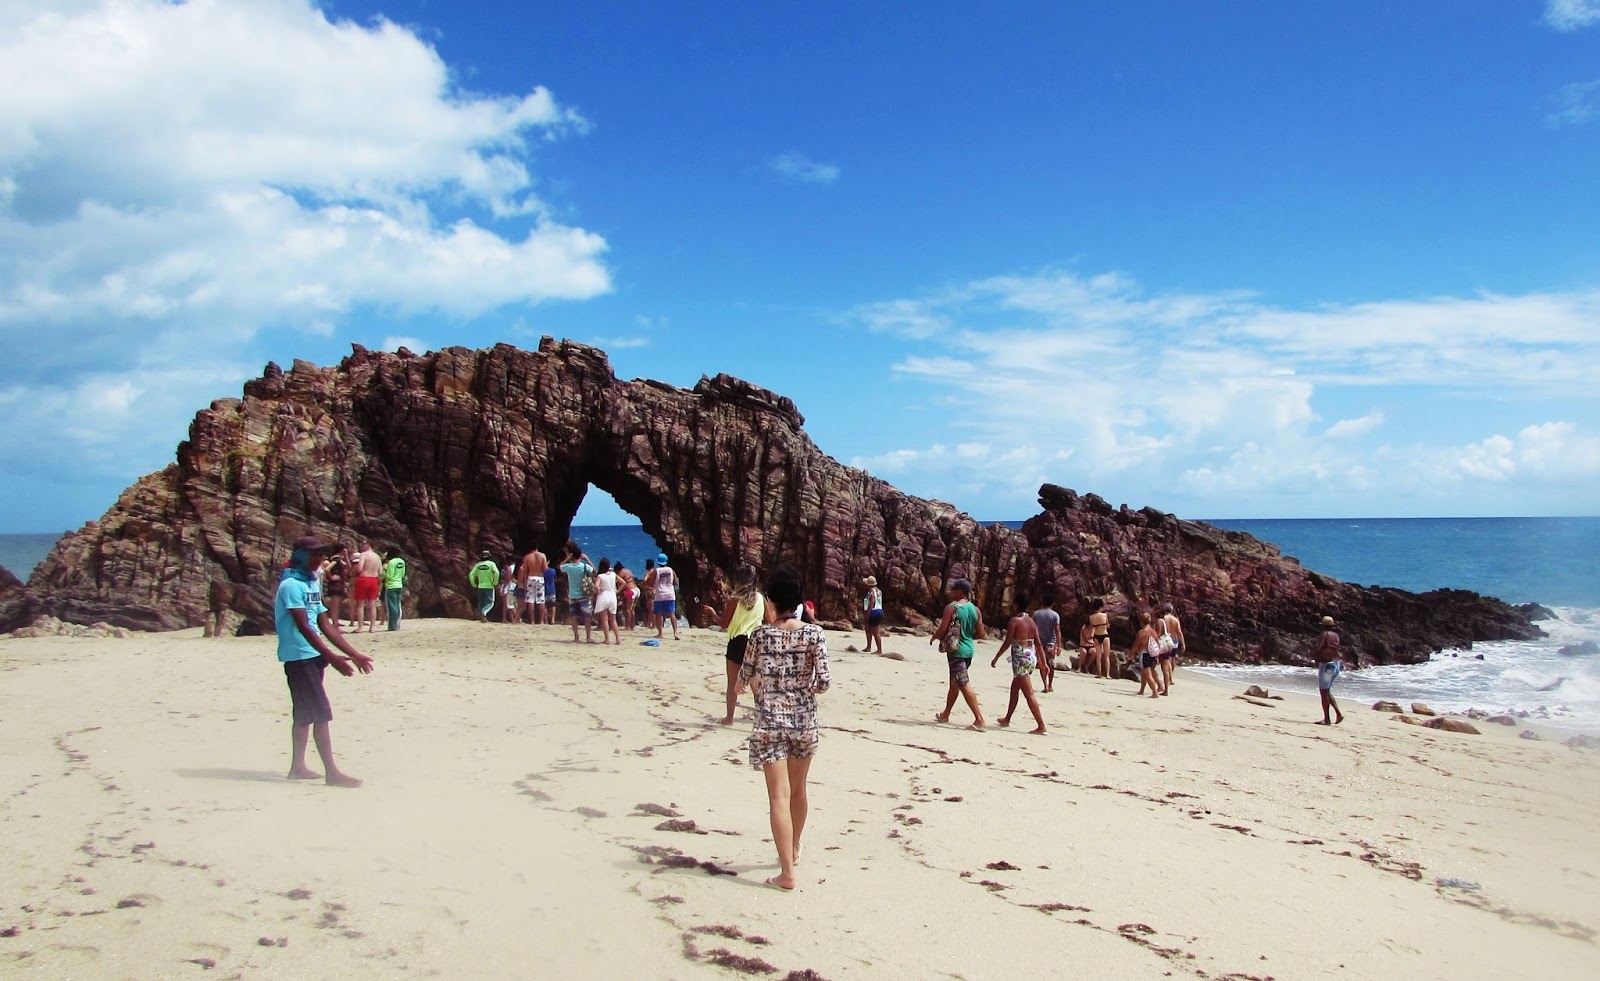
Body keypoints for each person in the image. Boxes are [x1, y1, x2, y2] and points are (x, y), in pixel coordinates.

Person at [736, 563, 830, 891]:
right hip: (804, 721)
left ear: (770, 601)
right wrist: (805, 689)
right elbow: (825, 681)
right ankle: (795, 847)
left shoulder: (761, 635)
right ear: (799, 600)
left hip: (769, 721)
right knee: (799, 789)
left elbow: (744, 676)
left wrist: (742, 686)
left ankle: (787, 871)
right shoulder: (814, 633)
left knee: (778, 795)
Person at [274, 536, 374, 788]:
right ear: (300, 556)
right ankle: (332, 772)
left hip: (312, 655)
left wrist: (354, 654)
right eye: (314, 554)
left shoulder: (310, 584)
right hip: (299, 656)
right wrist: (332, 657)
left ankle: (297, 767)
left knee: (305, 713)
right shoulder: (290, 586)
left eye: (321, 554)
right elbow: (304, 627)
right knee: (320, 712)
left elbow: (325, 624)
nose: (319, 559)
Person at [719, 564, 774, 725]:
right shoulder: (761, 599)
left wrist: (712, 614)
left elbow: (724, 624)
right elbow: (770, 624)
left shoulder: (734, 600)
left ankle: (729, 718)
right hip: (755, 643)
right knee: (754, 682)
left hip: (737, 641)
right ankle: (763, 717)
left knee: (732, 682)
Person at [929, 578, 986, 730]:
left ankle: (979, 719)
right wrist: (967, 636)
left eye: (952, 590)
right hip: (968, 650)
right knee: (954, 683)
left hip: (956, 651)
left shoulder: (952, 607)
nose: (950, 592)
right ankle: (945, 713)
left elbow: (943, 628)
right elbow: (981, 633)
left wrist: (935, 637)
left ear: (959, 592)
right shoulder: (975, 610)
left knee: (962, 683)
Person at [990, 597, 1047, 734]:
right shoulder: (1032, 622)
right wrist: (1043, 662)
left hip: (1020, 658)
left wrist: (996, 657)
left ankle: (1041, 725)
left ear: (1016, 605)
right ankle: (1007, 718)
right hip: (1030, 656)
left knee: (1029, 693)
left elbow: (1008, 641)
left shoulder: (1014, 621)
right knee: (1015, 688)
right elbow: (1038, 643)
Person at [560, 541, 596, 643]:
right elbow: (594, 570)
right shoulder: (585, 567)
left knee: (574, 617)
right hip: (584, 595)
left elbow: (560, 567)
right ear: (581, 555)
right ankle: (588, 637)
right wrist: (587, 559)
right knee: (587, 617)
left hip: (572, 595)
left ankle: (576, 637)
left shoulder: (569, 567)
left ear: (572, 556)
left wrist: (568, 558)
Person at [1313, 615, 1346, 725]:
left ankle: (1327, 719)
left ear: (1323, 626)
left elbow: (1320, 647)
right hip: (1336, 665)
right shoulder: (1335, 635)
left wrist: (1313, 655)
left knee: (1323, 692)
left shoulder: (1325, 634)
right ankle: (1337, 714)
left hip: (1327, 666)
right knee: (1326, 691)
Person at [1031, 594, 1061, 693]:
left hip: (1039, 642)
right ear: (1052, 604)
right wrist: (1059, 645)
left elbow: (1033, 628)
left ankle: (1045, 685)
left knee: (1042, 663)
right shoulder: (1055, 615)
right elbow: (1057, 630)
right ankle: (1050, 684)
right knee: (1050, 664)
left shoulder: (1036, 614)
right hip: (1051, 643)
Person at [1131, 610, 1162, 699]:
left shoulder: (1142, 632)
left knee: (1147, 675)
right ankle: (1142, 690)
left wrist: (1131, 654)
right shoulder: (1153, 631)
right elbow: (1157, 643)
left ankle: (1155, 692)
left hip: (1144, 654)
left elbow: (1136, 645)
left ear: (1141, 622)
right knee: (1144, 673)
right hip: (1152, 654)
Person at [354, 540, 383, 633]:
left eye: (363, 544)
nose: (362, 545)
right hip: (374, 580)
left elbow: (359, 568)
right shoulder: (377, 557)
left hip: (364, 578)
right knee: (372, 604)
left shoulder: (364, 555)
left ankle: (361, 627)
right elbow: (381, 571)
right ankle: (372, 627)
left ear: (368, 545)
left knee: (360, 604)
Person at [1157, 602, 1184, 694]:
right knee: (1171, 660)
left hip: (1165, 641)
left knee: (1166, 662)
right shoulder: (1176, 620)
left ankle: (1166, 682)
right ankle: (1170, 679)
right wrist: (1183, 643)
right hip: (1173, 641)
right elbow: (1179, 632)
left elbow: (1159, 633)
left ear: (1164, 610)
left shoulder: (1163, 619)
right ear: (1172, 610)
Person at [593, 558, 621, 645]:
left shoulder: (600, 576)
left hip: (604, 596)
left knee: (604, 619)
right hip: (612, 596)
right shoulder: (613, 574)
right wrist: (617, 591)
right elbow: (623, 582)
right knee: (613, 620)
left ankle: (607, 639)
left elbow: (596, 586)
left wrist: (598, 591)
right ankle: (618, 639)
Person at [652, 553, 680, 641]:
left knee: (659, 614)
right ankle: (675, 632)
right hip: (670, 594)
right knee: (672, 614)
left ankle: (660, 633)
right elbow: (676, 582)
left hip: (660, 594)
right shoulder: (671, 570)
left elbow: (651, 582)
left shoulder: (656, 571)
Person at [468, 550, 500, 622]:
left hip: (480, 586)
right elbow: (496, 572)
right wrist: (495, 582)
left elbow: (471, 574)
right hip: (489, 586)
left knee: (481, 602)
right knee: (490, 603)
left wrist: (474, 583)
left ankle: (480, 617)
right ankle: (483, 613)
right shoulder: (491, 564)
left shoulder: (478, 565)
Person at [519, 545, 548, 624]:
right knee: (541, 600)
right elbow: (545, 569)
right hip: (539, 578)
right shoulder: (542, 556)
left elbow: (525, 571)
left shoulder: (527, 557)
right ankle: (541, 621)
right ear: (537, 547)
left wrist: (525, 581)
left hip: (531, 578)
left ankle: (532, 621)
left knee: (530, 600)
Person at [322, 548, 349, 626]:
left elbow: (348, 566)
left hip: (338, 585)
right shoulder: (336, 560)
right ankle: (335, 624)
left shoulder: (339, 561)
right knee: (335, 606)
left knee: (336, 605)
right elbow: (327, 569)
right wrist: (331, 577)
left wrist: (345, 556)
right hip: (335, 585)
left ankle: (335, 622)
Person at [382, 547, 406, 631]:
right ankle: (397, 623)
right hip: (399, 584)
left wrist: (383, 572)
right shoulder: (402, 561)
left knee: (391, 606)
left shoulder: (391, 562)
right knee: (397, 605)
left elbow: (390, 576)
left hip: (391, 586)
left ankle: (392, 625)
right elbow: (402, 574)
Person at [861, 575, 885, 656]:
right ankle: (868, 647)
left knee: (875, 632)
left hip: (874, 612)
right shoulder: (878, 590)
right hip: (878, 611)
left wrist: (868, 612)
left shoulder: (872, 591)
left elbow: (872, 601)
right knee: (868, 629)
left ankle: (879, 650)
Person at [1088, 598, 1111, 679]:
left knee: (1098, 656)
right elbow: (1108, 625)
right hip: (1104, 635)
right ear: (1101, 607)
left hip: (1097, 636)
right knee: (1106, 656)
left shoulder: (1091, 617)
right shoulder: (1104, 615)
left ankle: (1099, 674)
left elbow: (1091, 627)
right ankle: (1107, 674)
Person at [616, 563, 637, 631]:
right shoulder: (628, 571)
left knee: (627, 609)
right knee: (632, 609)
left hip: (630, 591)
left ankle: (627, 627)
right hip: (636, 590)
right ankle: (632, 626)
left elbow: (620, 585)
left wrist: (618, 593)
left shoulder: (620, 573)